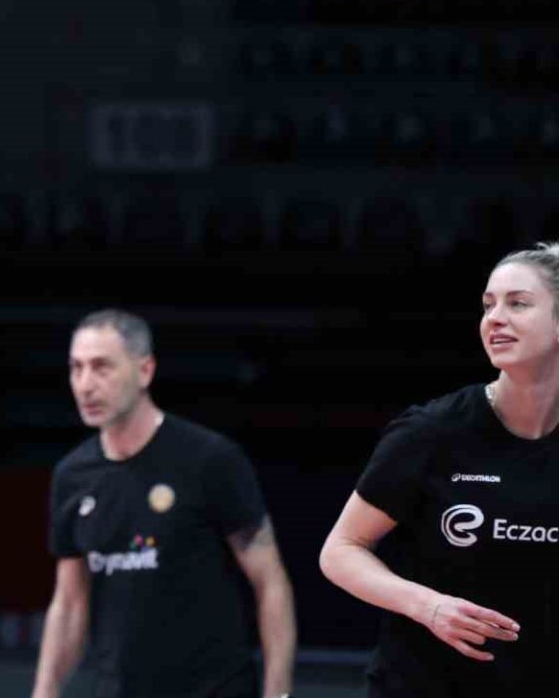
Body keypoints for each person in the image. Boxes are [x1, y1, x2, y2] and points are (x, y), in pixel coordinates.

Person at [320, 242, 559, 697]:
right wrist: (427, 606)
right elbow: (341, 550)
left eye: (518, 304)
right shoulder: (433, 431)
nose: (495, 318)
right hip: (424, 685)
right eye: (488, 305)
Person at [31, 310, 296, 698]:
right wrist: (44, 691)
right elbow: (70, 602)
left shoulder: (210, 459)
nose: (85, 384)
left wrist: (279, 694)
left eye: (101, 367)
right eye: (76, 368)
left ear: (145, 370)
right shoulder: (72, 476)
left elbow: (269, 581)